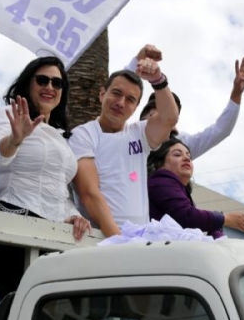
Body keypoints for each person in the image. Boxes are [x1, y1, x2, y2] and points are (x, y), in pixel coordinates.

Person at [0, 56, 91, 299]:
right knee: (16, 314)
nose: (50, 87)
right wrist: (14, 139)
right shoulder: (9, 115)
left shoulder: (62, 136)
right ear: (27, 84)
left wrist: (74, 215)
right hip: (14, 226)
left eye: (57, 83)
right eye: (42, 80)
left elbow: (59, 188)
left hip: (53, 236)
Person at [69, 58, 179, 237]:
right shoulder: (82, 135)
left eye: (130, 99)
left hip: (141, 238)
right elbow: (89, 193)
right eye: (116, 93)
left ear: (135, 107)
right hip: (100, 237)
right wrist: (118, 240)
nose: (121, 103)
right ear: (102, 94)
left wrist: (158, 80)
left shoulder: (140, 132)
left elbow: (169, 118)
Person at [132, 45, 244, 160]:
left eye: (171, 115)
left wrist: (236, 94)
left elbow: (220, 130)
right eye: (155, 115)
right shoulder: (129, 139)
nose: (164, 119)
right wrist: (137, 62)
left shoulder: (183, 144)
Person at [147, 138, 244, 236]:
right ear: (160, 164)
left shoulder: (174, 187)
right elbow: (188, 217)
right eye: (177, 154)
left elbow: (193, 225)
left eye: (189, 156)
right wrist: (224, 219)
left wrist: (216, 231)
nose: (187, 158)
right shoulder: (161, 180)